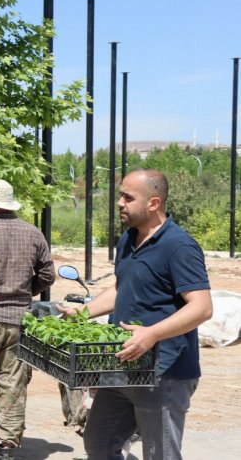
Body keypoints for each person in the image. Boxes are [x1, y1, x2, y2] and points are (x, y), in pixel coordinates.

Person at [57, 168, 213, 460]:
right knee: (99, 444)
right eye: (121, 196)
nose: (120, 203)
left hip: (164, 371)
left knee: (160, 454)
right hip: (122, 365)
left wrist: (152, 333)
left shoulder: (179, 246)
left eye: (128, 197)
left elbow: (202, 307)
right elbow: (122, 289)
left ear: (153, 203)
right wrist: (82, 313)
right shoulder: (128, 239)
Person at [0, 179, 55, 459]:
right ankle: (7, 446)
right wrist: (24, 293)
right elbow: (47, 275)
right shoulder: (33, 233)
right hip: (20, 320)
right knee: (13, 384)